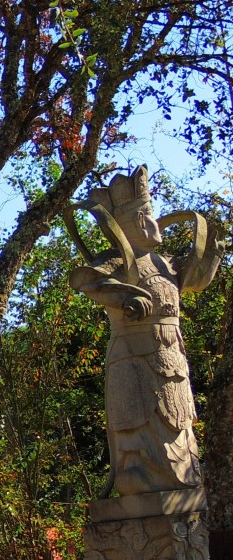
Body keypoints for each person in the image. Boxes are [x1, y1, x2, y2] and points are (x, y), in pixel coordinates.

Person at [69, 165, 223, 496]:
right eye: (148, 216)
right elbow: (84, 279)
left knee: (179, 431)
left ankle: (179, 481)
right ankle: (137, 477)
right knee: (140, 436)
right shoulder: (118, 260)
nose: (155, 223)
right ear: (136, 222)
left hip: (172, 360)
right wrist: (127, 295)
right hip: (134, 361)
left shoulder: (165, 263)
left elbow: (192, 283)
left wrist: (213, 256)